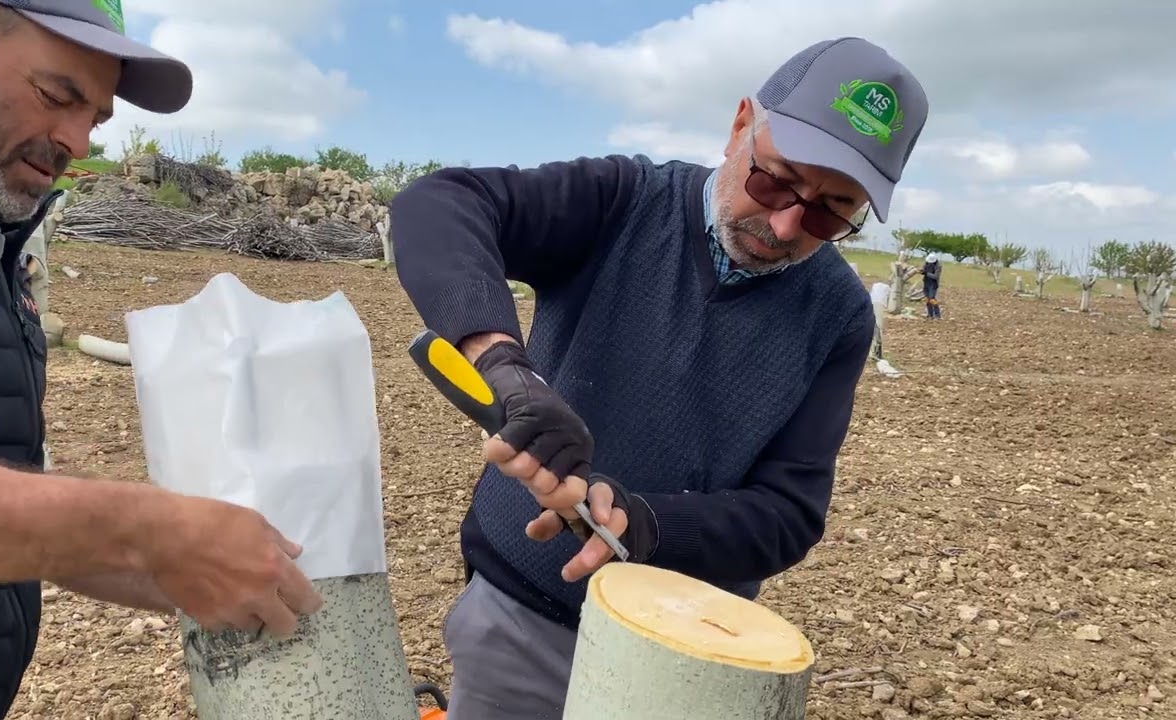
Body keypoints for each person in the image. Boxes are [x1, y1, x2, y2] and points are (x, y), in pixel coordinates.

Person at [391, 36, 929, 718]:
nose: (788, 222)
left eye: (830, 211)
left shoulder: (839, 314)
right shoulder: (623, 201)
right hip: (523, 619)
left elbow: (789, 513)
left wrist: (647, 525)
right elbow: (440, 205)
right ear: (742, 125)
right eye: (775, 180)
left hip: (685, 649)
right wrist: (504, 366)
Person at [0, 1, 323, 717]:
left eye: (94, 117)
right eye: (57, 95)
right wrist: (144, 531)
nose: (75, 139)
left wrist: (173, 566)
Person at [922, 252, 943, 319]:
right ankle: (930, 314)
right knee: (927, 299)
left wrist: (926, 273)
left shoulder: (938, 266)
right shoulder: (926, 263)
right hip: (926, 282)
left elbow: (936, 276)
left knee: (932, 299)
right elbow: (923, 270)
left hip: (933, 284)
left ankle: (937, 315)